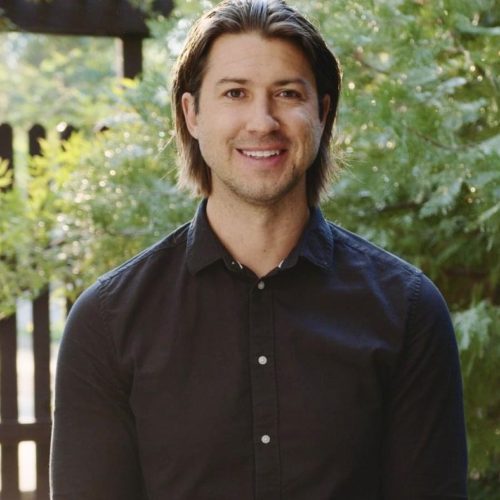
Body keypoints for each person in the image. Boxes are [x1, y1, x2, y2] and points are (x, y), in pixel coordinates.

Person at [50, 0, 468, 498]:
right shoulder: (108, 322)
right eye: (235, 93)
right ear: (192, 114)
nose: (262, 121)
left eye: (287, 93)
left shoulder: (408, 312)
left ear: (323, 112)